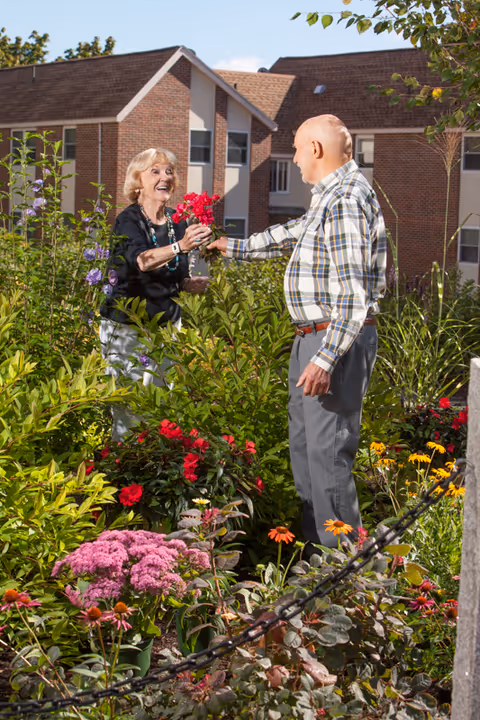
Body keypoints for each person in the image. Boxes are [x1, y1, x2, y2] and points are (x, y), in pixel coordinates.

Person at [209, 114, 387, 550]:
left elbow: (352, 294)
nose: (291, 158)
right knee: (307, 456)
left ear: (316, 150)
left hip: (332, 341)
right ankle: (319, 570)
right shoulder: (329, 198)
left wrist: (325, 358)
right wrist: (231, 246)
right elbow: (293, 234)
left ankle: (349, 581)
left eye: (294, 148)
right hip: (314, 337)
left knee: (327, 461)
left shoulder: (344, 199)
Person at [100, 147, 212, 440]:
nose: (165, 177)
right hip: (129, 327)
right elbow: (142, 261)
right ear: (137, 180)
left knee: (162, 403)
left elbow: (173, 272)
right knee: (129, 406)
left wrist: (188, 284)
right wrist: (181, 247)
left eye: (169, 171)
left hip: (167, 326)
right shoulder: (128, 221)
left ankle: (153, 475)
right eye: (155, 171)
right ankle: (123, 471)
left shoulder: (178, 221)